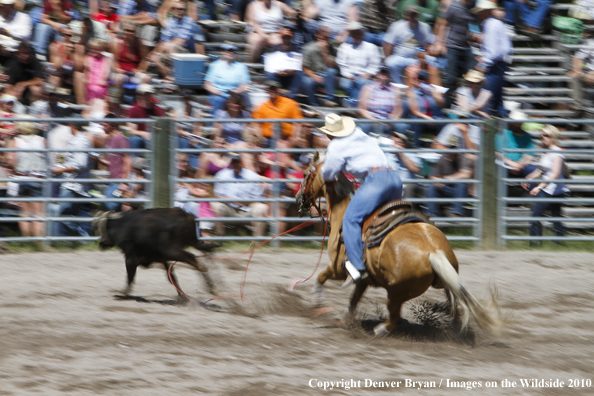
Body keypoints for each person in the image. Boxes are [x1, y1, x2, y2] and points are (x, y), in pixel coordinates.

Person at [317, 113, 403, 286]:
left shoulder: (336, 145)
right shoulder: (360, 134)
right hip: (395, 178)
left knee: (350, 219)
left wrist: (325, 165)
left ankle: (357, 267)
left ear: (328, 133)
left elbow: (328, 173)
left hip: (376, 181)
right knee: (388, 221)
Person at [521, 125, 569, 245]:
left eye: (547, 135)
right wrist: (528, 178)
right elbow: (540, 170)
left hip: (554, 190)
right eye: (542, 135)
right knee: (552, 217)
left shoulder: (557, 153)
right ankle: (538, 243)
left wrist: (538, 187)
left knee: (543, 216)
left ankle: (544, 243)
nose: (543, 137)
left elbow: (555, 174)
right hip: (548, 189)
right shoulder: (546, 152)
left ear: (553, 137)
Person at [5, 118, 46, 239]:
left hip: (20, 179)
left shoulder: (15, 141)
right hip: (37, 179)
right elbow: (50, 160)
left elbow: (10, 162)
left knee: (24, 214)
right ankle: (39, 243)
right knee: (39, 215)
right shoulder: (43, 141)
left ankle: (27, 241)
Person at [212, 154, 270, 237]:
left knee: (261, 207)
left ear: (241, 162)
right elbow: (217, 195)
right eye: (233, 161)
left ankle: (257, 241)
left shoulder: (252, 176)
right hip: (229, 209)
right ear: (230, 162)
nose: (235, 164)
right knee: (216, 206)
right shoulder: (222, 175)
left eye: (237, 161)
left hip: (248, 209)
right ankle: (220, 238)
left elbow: (258, 198)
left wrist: (242, 202)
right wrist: (231, 200)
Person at [472, 1, 512, 118]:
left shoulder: (490, 25)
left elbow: (493, 51)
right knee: (497, 98)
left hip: (495, 65)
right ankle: (503, 122)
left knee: (486, 96)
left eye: (480, 12)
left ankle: (485, 123)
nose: (478, 14)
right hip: (500, 64)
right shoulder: (496, 24)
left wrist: (483, 63)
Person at [434, 0, 477, 105]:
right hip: (452, 45)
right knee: (450, 77)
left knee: (472, 75)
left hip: (466, 46)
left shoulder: (474, 8)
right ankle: (447, 102)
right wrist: (440, 43)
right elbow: (443, 24)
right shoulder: (454, 6)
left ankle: (466, 101)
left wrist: (475, 36)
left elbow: (475, 27)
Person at [383, 5, 436, 84]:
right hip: (399, 56)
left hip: (415, 58)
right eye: (410, 14)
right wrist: (387, 57)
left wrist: (419, 52)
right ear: (405, 15)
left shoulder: (425, 27)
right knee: (390, 62)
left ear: (417, 15)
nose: (412, 16)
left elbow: (426, 47)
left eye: (414, 14)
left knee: (433, 61)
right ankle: (399, 84)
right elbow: (388, 44)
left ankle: (423, 85)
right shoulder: (397, 26)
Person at [425, 135, 472, 218]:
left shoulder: (464, 158)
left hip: (459, 191)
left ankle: (457, 213)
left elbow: (466, 174)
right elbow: (431, 176)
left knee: (462, 184)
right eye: (451, 147)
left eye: (454, 148)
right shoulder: (442, 159)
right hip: (444, 188)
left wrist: (445, 179)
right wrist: (437, 181)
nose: (452, 150)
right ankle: (431, 214)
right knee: (431, 186)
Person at [336, 22, 381, 102]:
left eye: (358, 32)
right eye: (354, 32)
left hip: (364, 75)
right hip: (349, 76)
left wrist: (368, 74)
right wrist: (349, 75)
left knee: (362, 83)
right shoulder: (344, 47)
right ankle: (358, 103)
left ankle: (354, 103)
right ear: (351, 34)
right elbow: (342, 64)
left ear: (362, 33)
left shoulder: (371, 47)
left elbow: (375, 64)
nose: (356, 34)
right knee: (345, 84)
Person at [95, 113, 131, 212]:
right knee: (112, 208)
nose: (102, 128)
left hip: (119, 181)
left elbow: (127, 160)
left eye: (105, 125)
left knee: (109, 205)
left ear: (113, 125)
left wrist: (124, 182)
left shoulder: (120, 138)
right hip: (112, 180)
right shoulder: (109, 139)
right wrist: (97, 160)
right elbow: (112, 162)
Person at [251, 80, 303, 147]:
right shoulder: (261, 106)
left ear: (279, 90)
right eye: (271, 89)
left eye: (275, 89)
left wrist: (294, 137)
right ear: (267, 90)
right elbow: (256, 125)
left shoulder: (290, 103)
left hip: (286, 139)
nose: (273, 91)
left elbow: (298, 123)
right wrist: (259, 138)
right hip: (267, 139)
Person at [204, 43, 252, 115]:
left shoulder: (241, 66)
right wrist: (219, 93)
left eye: (233, 51)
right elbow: (208, 85)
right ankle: (214, 123)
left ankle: (240, 123)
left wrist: (236, 92)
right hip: (219, 93)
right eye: (228, 51)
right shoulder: (215, 65)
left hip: (236, 94)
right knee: (218, 100)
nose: (231, 53)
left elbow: (245, 85)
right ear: (223, 52)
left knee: (238, 100)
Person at [404, 66, 445, 147]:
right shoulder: (412, 92)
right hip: (421, 118)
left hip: (435, 118)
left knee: (445, 121)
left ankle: (439, 145)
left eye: (424, 79)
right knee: (417, 121)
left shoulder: (433, 90)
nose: (422, 81)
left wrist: (436, 96)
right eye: (419, 79)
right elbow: (414, 111)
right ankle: (416, 145)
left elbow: (441, 105)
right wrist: (428, 118)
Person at [357, 67, 403, 135]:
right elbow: (362, 108)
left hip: (388, 120)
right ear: (377, 75)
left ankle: (399, 144)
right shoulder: (368, 88)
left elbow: (398, 109)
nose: (384, 75)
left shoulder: (395, 89)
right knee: (364, 125)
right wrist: (375, 121)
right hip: (371, 119)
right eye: (382, 73)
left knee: (402, 126)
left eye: (387, 73)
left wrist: (392, 120)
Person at [301, 26, 338, 107]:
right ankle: (315, 105)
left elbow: (332, 67)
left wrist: (326, 52)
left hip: (326, 76)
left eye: (328, 37)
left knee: (331, 71)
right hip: (312, 75)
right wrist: (314, 76)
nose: (327, 40)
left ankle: (329, 100)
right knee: (307, 82)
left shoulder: (332, 48)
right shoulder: (309, 48)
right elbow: (305, 68)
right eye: (324, 37)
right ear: (318, 36)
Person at [264, 29, 303, 99]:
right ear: (281, 38)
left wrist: (287, 72)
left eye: (288, 37)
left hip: (291, 74)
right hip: (278, 74)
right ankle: (276, 93)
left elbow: (297, 65)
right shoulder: (274, 48)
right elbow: (270, 65)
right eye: (284, 37)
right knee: (270, 74)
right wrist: (280, 72)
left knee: (299, 74)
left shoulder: (296, 48)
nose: (286, 39)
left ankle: (292, 95)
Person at [126, 83, 165, 152]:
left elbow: (163, 125)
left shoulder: (158, 110)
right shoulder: (134, 109)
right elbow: (131, 130)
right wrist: (143, 133)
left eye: (148, 94)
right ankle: (135, 160)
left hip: (156, 136)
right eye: (144, 94)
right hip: (142, 137)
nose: (146, 97)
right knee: (135, 139)